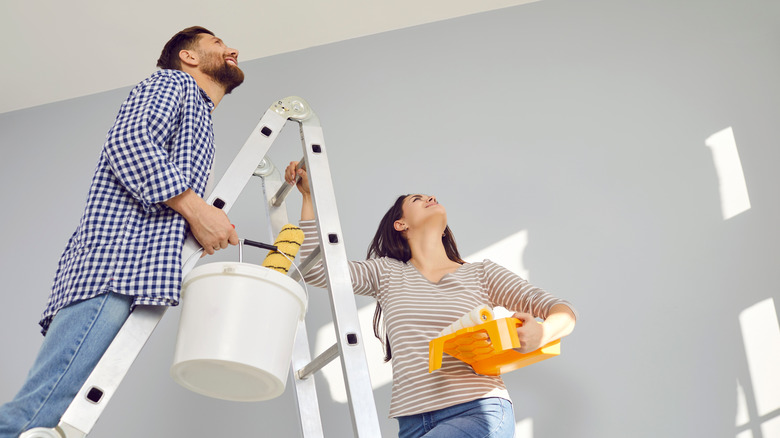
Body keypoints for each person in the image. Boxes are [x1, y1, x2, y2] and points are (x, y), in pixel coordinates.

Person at [0, 26, 242, 436]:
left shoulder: (200, 119)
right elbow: (128, 142)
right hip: (115, 267)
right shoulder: (173, 84)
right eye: (217, 43)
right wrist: (198, 211)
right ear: (189, 57)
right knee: (33, 416)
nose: (231, 49)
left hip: (132, 273)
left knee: (50, 421)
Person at [285, 162, 577, 438]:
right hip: (412, 423)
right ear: (400, 224)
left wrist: (544, 332)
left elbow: (562, 311)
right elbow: (318, 271)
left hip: (479, 409)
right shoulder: (386, 272)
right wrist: (309, 198)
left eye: (430, 196)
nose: (430, 197)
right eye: (417, 198)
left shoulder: (481, 274)